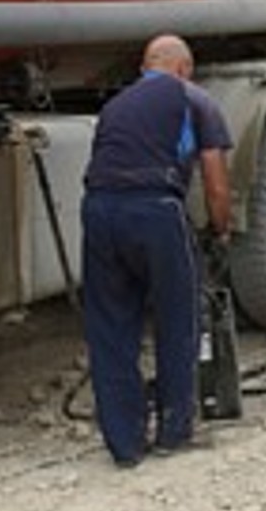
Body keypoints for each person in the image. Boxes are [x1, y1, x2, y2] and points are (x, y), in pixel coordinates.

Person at [82, 35, 233, 466]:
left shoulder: (114, 106)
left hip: (99, 210)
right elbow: (216, 183)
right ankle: (173, 429)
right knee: (177, 317)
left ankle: (125, 445)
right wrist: (220, 231)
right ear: (184, 68)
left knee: (110, 326)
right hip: (155, 209)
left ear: (145, 67)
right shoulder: (195, 99)